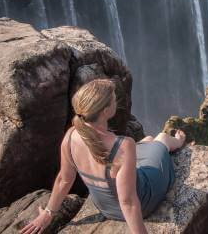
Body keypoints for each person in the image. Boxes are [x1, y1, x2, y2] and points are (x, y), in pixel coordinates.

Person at [21, 79, 185, 234]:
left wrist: (48, 213)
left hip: (105, 207)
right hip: (144, 201)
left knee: (147, 142)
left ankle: (151, 143)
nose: (116, 100)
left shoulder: (70, 136)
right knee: (162, 139)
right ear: (106, 111)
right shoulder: (123, 145)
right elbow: (128, 202)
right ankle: (177, 141)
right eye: (114, 99)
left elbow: (64, 179)